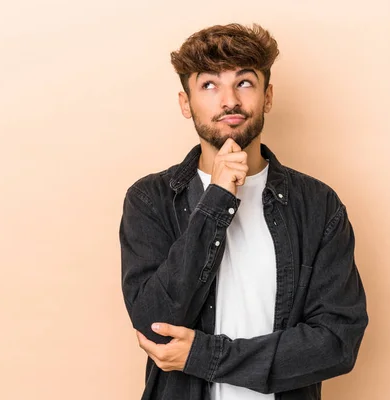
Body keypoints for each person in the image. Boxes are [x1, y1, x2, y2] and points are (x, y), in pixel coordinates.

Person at [118, 23, 368, 400]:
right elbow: (154, 325)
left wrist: (206, 357)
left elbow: (337, 342)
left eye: (245, 83)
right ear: (186, 103)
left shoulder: (318, 205)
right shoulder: (151, 199)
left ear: (267, 97)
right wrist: (216, 198)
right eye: (209, 85)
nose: (229, 100)